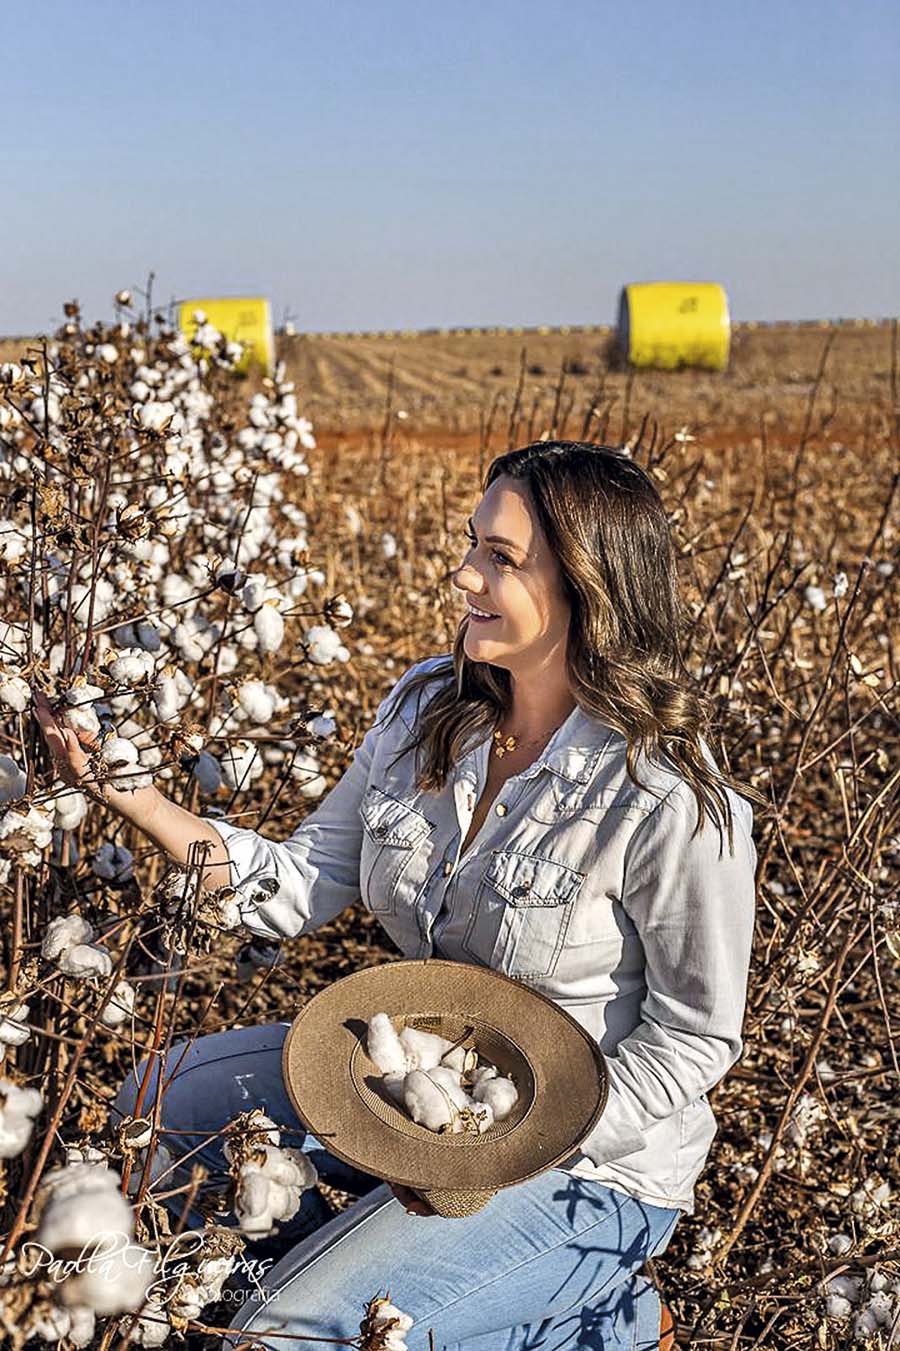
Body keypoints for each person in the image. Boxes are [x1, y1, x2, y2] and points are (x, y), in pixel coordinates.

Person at [36, 440, 760, 1351]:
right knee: (152, 1112)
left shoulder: (671, 799)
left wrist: (506, 1148)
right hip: (409, 1087)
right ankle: (391, 1261)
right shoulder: (429, 706)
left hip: (593, 1166)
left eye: (500, 558)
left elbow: (696, 1037)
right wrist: (124, 789)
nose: (463, 576)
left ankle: (601, 1317)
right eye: (472, 545)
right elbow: (300, 884)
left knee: (284, 1331)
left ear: (589, 586)